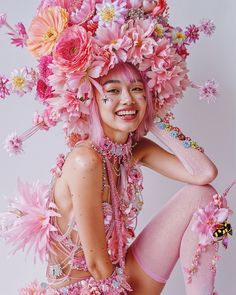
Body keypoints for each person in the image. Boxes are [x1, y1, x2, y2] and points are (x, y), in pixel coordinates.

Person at [0, 1, 234, 294]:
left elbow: (204, 173)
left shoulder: (133, 149)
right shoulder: (85, 161)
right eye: (112, 91)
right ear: (91, 99)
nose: (127, 100)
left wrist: (156, 119)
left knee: (207, 200)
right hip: (92, 288)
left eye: (137, 89)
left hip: (120, 273)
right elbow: (98, 266)